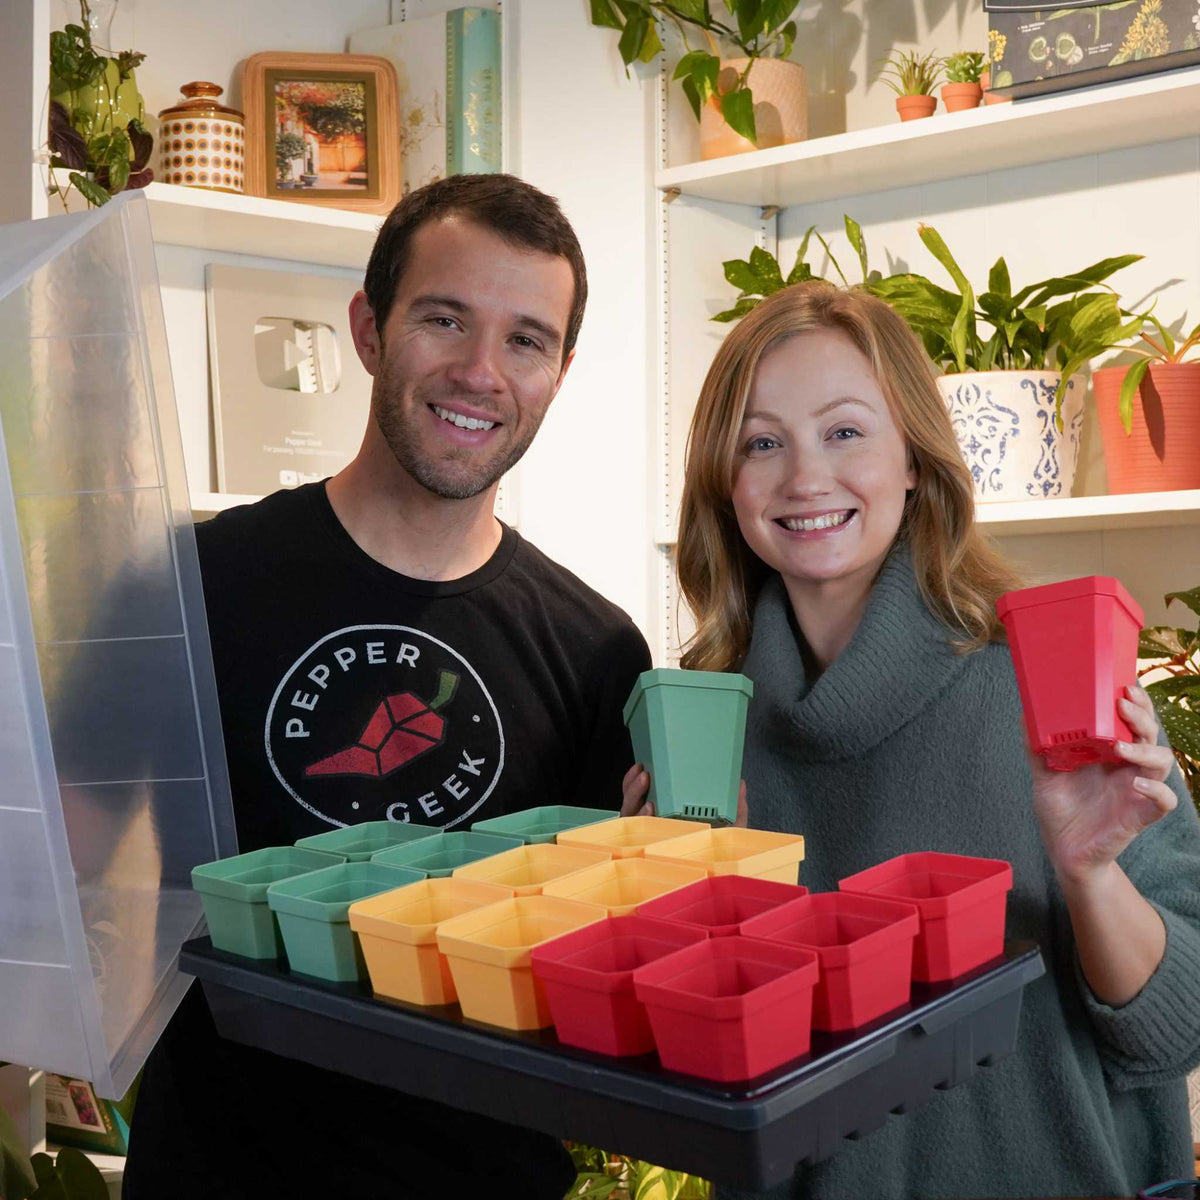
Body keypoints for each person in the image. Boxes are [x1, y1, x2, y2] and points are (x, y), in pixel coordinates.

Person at [124, 173, 651, 1200]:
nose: (480, 372)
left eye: (526, 340)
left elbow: (597, 977)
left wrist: (682, 868)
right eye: (443, 319)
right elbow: (69, 883)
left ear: (558, 372)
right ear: (369, 330)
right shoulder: (187, 586)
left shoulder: (598, 650)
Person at [624, 280, 1200, 1199]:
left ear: (915, 463)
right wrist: (670, 895)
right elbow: (693, 1066)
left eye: (845, 431)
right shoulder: (699, 725)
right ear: (724, 486)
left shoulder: (1048, 673)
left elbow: (1179, 1030)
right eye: (763, 443)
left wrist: (1093, 877)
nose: (805, 476)